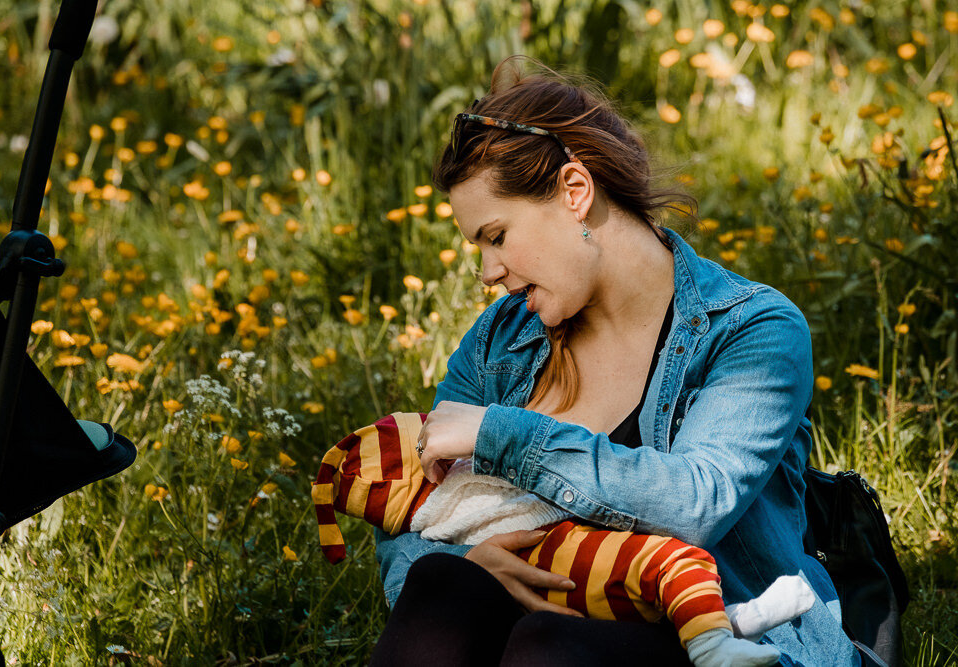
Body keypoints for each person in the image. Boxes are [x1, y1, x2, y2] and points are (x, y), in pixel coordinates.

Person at [369, 56, 861, 666]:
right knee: (444, 586)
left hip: (719, 635)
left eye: (496, 236)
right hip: (527, 625)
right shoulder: (502, 338)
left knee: (548, 646)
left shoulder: (750, 331)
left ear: (575, 193)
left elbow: (695, 506)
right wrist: (472, 560)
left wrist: (502, 434)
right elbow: (409, 510)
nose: (488, 271)